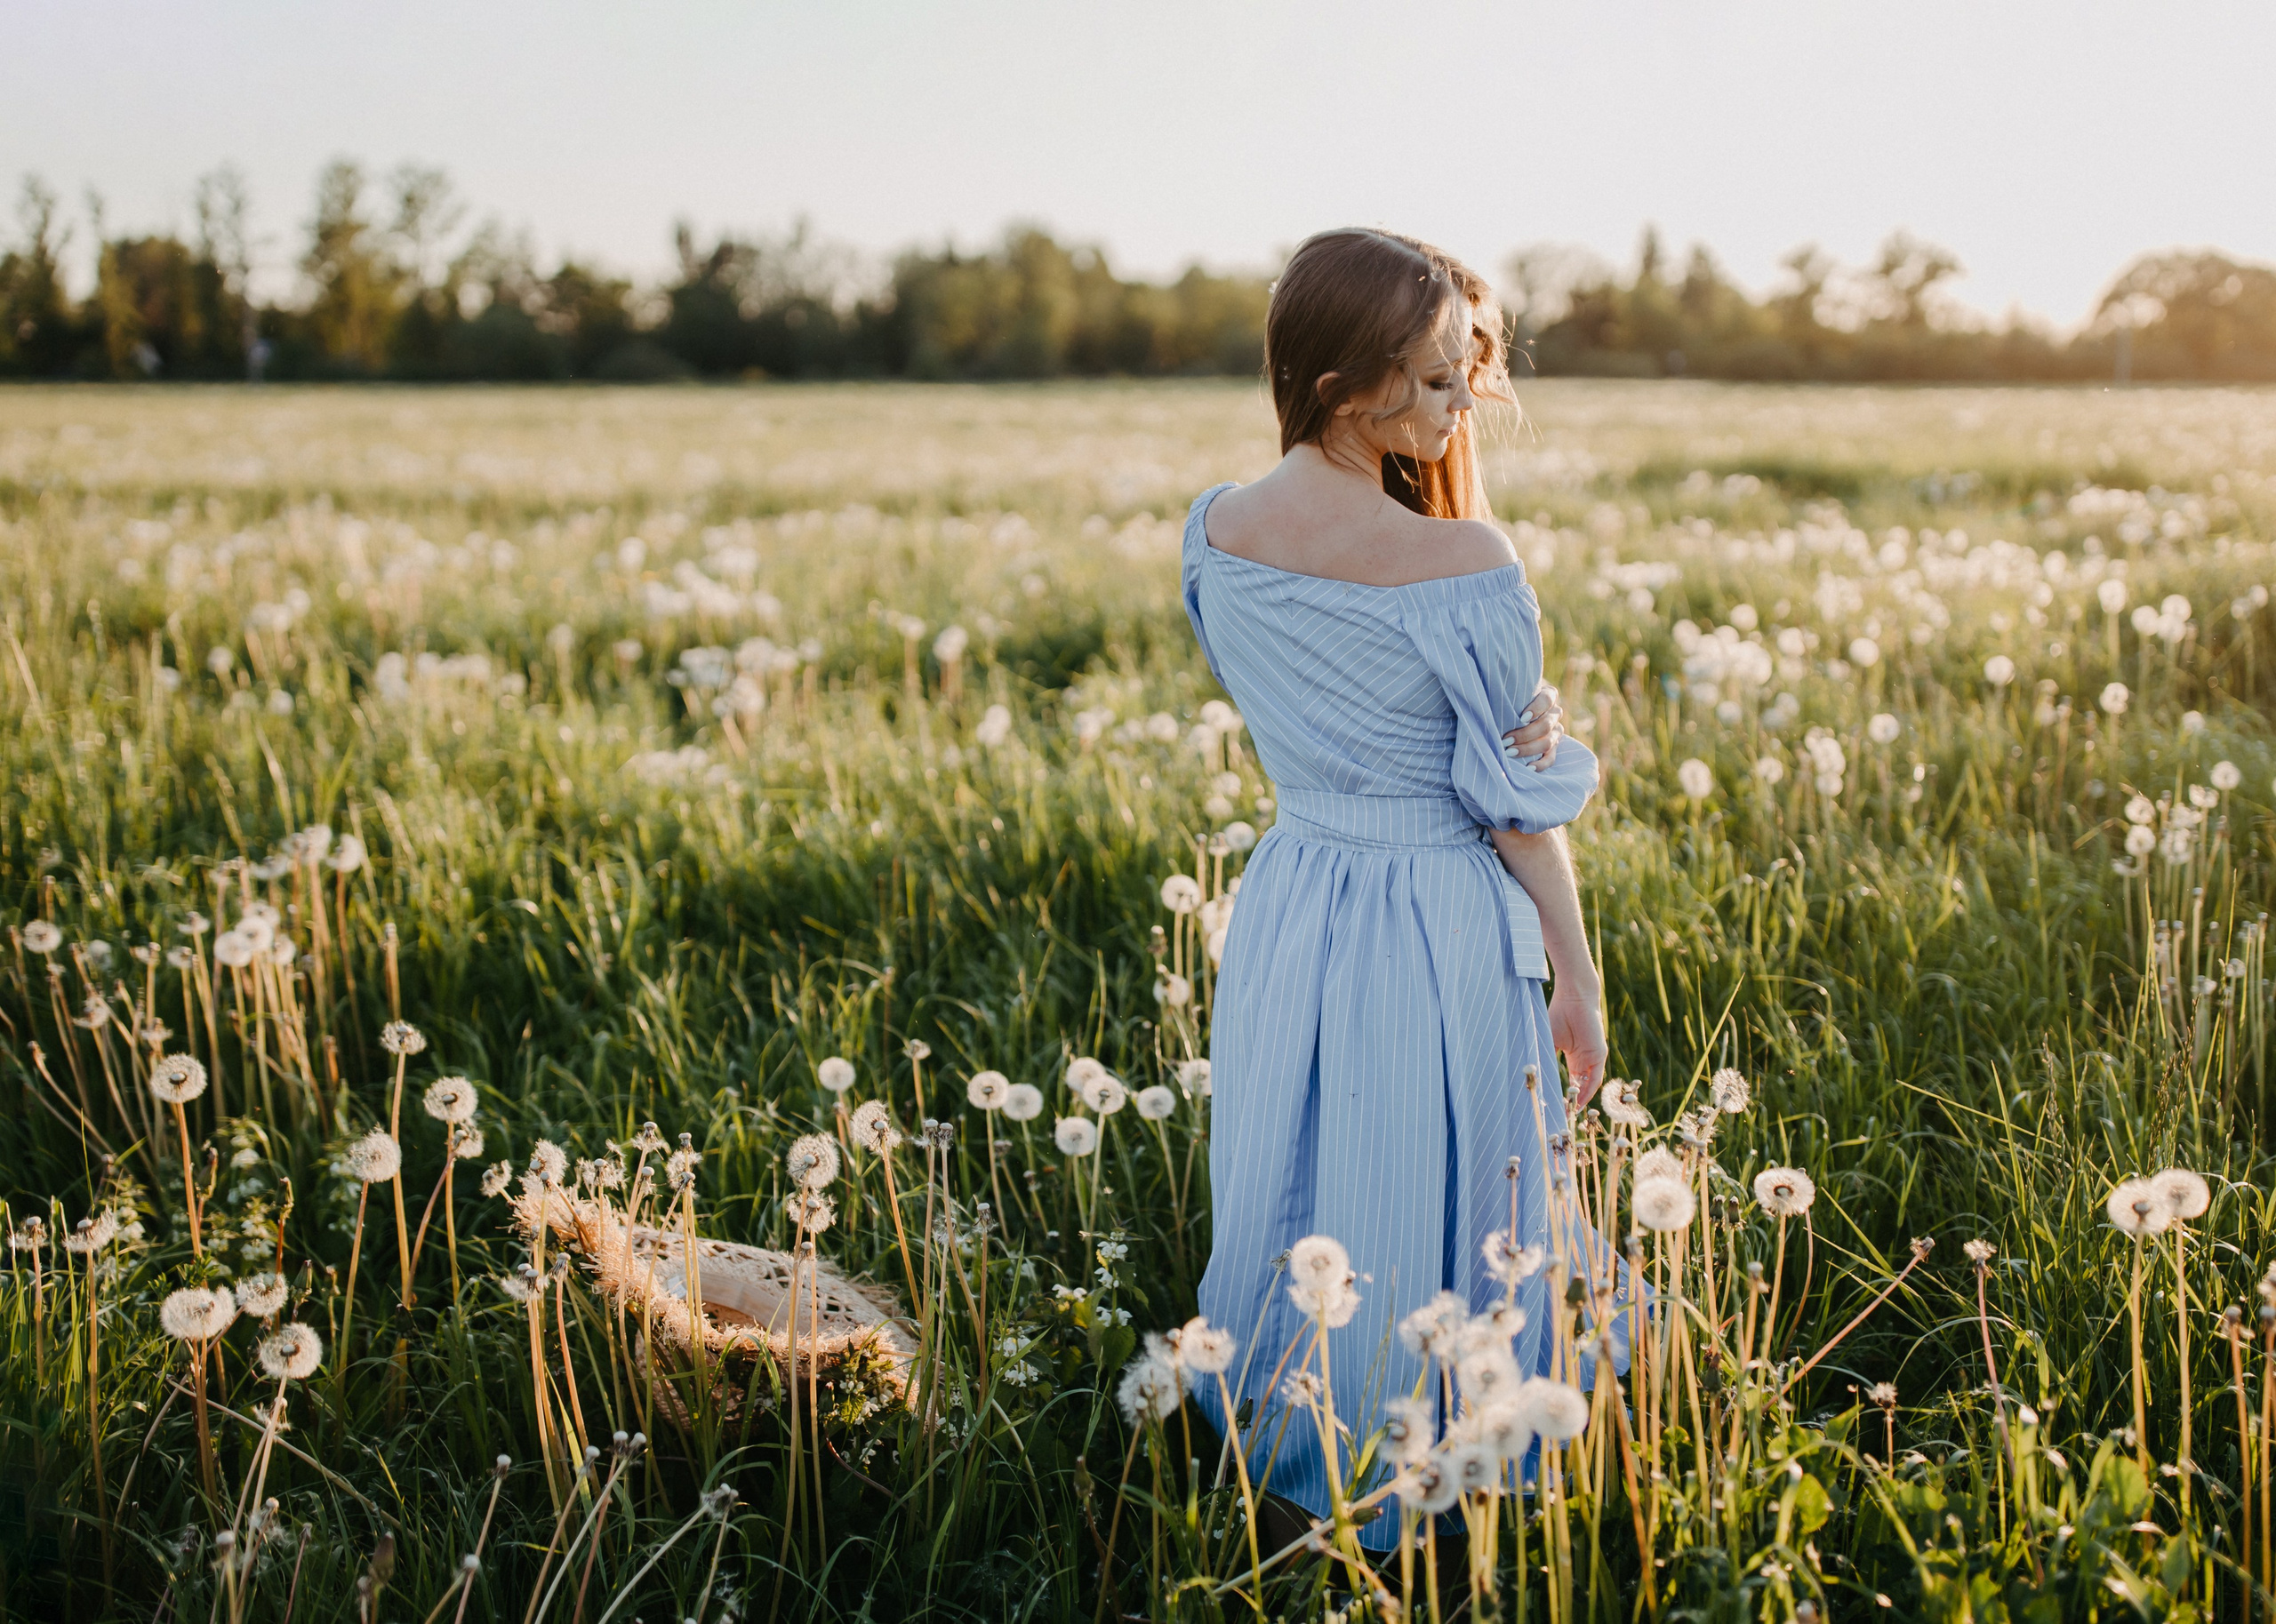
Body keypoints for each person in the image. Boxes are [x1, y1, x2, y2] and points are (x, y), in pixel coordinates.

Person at [1182, 228, 1609, 1551]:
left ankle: (1294, 1414)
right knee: (1460, 1185)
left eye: (1461, 375)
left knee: (1302, 1165)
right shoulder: (1464, 565)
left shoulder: (1215, 531)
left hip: (1298, 895)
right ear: (1335, 386)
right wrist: (1580, 977)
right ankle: (1451, 1441)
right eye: (1429, 383)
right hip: (1435, 910)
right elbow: (1511, 812)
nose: (1458, 406)